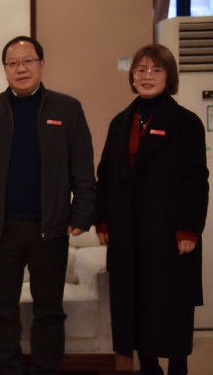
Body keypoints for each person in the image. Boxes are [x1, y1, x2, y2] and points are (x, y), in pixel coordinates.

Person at [0, 35, 96, 375]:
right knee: (2, 309)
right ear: (5, 69)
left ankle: (45, 369)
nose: (21, 68)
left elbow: (83, 167)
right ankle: (7, 369)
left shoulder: (67, 109)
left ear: (42, 64)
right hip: (1, 228)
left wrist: (82, 213)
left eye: (27, 61)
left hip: (50, 228)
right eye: (13, 63)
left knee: (49, 309)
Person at [95, 44, 208, 375]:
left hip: (170, 236)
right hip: (127, 236)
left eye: (156, 70)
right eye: (141, 70)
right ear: (132, 76)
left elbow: (195, 181)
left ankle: (177, 368)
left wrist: (189, 229)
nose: (147, 76)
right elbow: (106, 176)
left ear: (168, 76)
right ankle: (148, 368)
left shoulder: (186, 122)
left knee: (171, 309)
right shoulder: (119, 122)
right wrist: (103, 221)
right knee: (136, 309)